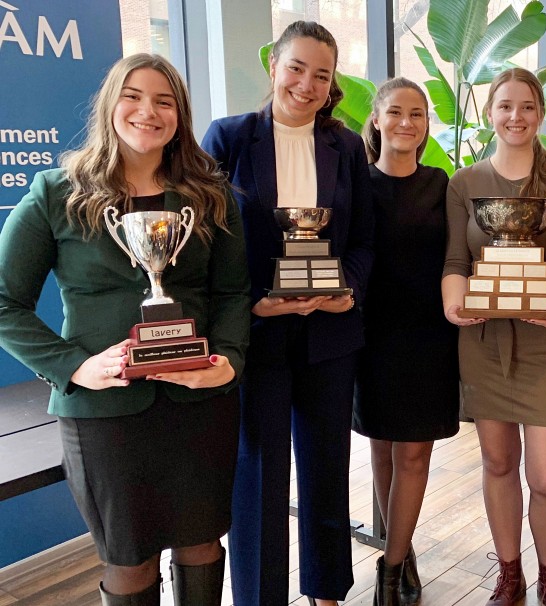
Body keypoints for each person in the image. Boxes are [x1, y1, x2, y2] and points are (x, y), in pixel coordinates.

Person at [0, 53, 250, 605]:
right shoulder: (57, 192)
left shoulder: (209, 196)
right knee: (130, 564)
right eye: (133, 96)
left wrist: (228, 360)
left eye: (164, 101)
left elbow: (232, 293)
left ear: (180, 115)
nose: (147, 111)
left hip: (199, 405)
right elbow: (3, 302)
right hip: (104, 416)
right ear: (111, 103)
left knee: (201, 547)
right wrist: (74, 367)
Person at [201, 21, 374, 606]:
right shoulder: (227, 138)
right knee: (259, 478)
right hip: (256, 336)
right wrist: (252, 301)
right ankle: (258, 598)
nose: (307, 83)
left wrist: (346, 288)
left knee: (328, 470)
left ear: (332, 85)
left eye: (321, 75)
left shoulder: (347, 147)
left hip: (330, 334)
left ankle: (328, 593)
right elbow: (204, 240)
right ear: (273, 66)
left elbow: (365, 240)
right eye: (296, 68)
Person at [441, 67, 546, 606]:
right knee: (497, 463)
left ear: (541, 113)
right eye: (505, 106)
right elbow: (457, 260)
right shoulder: (464, 183)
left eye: (527, 106)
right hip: (482, 342)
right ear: (490, 113)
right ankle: (510, 573)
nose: (516, 117)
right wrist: (454, 305)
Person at [354, 77, 459, 606]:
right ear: (375, 118)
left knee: (413, 453)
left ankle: (390, 571)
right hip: (371, 336)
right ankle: (404, 547)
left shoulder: (442, 184)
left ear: (425, 124)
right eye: (395, 112)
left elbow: (462, 257)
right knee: (381, 448)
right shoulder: (355, 185)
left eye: (417, 114)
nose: (406, 122)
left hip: (429, 337)